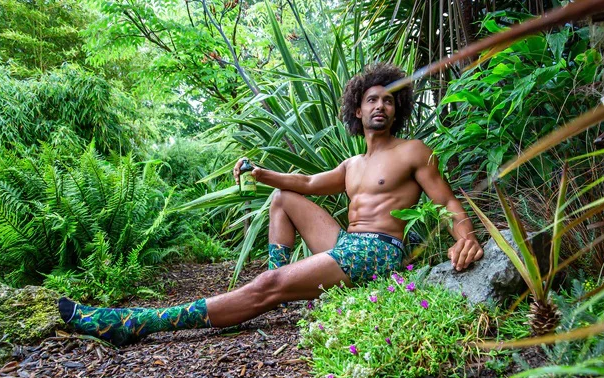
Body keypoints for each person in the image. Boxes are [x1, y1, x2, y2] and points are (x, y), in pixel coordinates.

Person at [57, 63, 484, 347]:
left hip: (378, 252)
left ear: (397, 109)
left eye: (388, 100)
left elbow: (447, 201)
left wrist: (464, 236)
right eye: (372, 99)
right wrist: (261, 173)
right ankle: (278, 281)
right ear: (358, 109)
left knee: (267, 287)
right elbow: (307, 183)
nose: (380, 105)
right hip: (348, 245)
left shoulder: (412, 152)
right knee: (283, 198)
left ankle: (135, 323)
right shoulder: (353, 164)